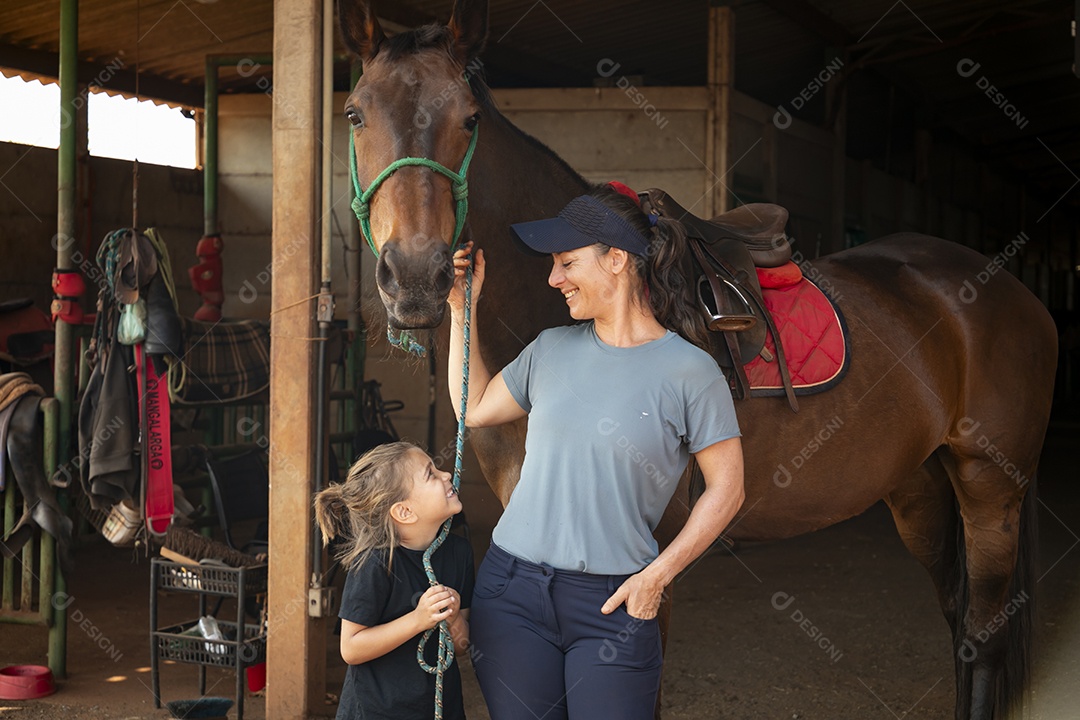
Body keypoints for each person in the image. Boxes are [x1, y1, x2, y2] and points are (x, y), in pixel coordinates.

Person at [446, 183, 746, 720]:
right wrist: (460, 311)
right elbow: (473, 408)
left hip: (613, 603)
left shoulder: (691, 372)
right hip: (510, 594)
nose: (553, 279)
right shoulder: (550, 348)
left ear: (617, 260)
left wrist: (658, 575)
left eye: (567, 263)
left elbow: (728, 489)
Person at [314, 441, 475, 720]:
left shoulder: (459, 553)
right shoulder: (375, 563)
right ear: (404, 512)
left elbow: (461, 647)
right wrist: (419, 619)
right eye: (431, 474)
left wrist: (453, 619)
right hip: (376, 711)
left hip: (439, 709)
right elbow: (351, 648)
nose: (446, 475)